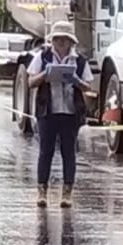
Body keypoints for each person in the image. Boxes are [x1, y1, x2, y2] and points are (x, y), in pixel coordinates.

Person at [26, 21, 92, 208]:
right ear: (52, 40)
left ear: (71, 42)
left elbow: (88, 86)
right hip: (48, 110)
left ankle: (67, 193)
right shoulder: (43, 57)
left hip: (70, 112)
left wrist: (76, 80)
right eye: (58, 39)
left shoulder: (79, 60)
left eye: (65, 39)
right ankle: (42, 192)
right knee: (45, 151)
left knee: (68, 152)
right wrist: (45, 76)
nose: (61, 43)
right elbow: (31, 82)